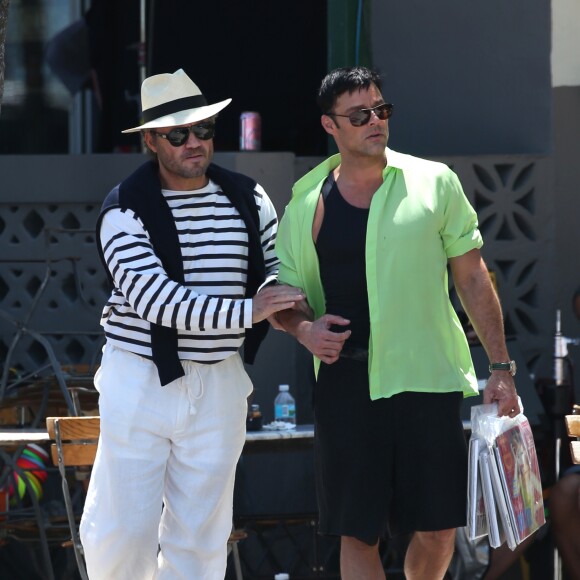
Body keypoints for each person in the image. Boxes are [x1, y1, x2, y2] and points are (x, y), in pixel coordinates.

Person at [273, 66, 520, 580]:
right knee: (356, 531)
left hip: (425, 377)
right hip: (346, 382)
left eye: (381, 110)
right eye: (359, 114)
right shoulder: (304, 204)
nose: (375, 122)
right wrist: (303, 331)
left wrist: (500, 368)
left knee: (437, 529)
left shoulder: (435, 183)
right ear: (330, 126)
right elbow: (285, 299)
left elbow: (473, 279)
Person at [79, 68, 305, 579]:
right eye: (178, 133)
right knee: (122, 532)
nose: (194, 142)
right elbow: (159, 301)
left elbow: (274, 272)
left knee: (202, 536)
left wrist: (292, 310)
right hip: (141, 376)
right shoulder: (123, 210)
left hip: (220, 376)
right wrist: (252, 310)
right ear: (152, 140)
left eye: (203, 129)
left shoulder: (249, 198)